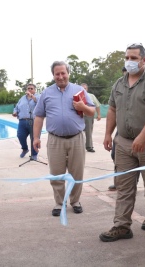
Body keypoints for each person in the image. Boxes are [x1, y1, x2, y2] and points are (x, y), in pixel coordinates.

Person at [101, 43, 145, 242]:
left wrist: (143, 135)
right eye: (127, 58)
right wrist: (108, 134)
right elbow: (113, 109)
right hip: (123, 143)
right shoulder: (119, 83)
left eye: (134, 58)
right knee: (124, 186)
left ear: (144, 60)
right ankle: (122, 225)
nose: (130, 62)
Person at [33, 61, 95, 217]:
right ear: (53, 75)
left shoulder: (79, 90)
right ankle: (59, 203)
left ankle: (75, 201)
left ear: (68, 73)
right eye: (57, 74)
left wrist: (83, 107)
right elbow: (39, 116)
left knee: (77, 173)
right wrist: (36, 137)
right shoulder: (46, 93)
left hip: (76, 138)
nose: (60, 76)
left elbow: (92, 111)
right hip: (55, 139)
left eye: (63, 73)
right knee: (56, 174)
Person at [108, 67, 127, 191]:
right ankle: (118, 182)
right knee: (115, 155)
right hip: (121, 131)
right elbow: (112, 109)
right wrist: (107, 134)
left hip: (140, 132)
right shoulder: (118, 87)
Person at [12, 83, 40, 160]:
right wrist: (15, 112)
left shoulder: (38, 97)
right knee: (20, 135)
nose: (30, 90)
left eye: (31, 88)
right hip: (22, 121)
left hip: (34, 121)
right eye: (28, 88)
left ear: (35, 90)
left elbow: (40, 103)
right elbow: (17, 107)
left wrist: (32, 96)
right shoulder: (22, 98)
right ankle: (25, 149)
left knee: (34, 138)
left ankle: (34, 154)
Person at [81, 83, 101, 153]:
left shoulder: (91, 96)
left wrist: (98, 114)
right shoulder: (77, 96)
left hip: (88, 116)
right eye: (82, 88)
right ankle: (79, 147)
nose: (84, 90)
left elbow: (97, 105)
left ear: (87, 89)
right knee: (78, 132)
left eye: (85, 88)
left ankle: (89, 146)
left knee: (88, 132)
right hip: (79, 116)